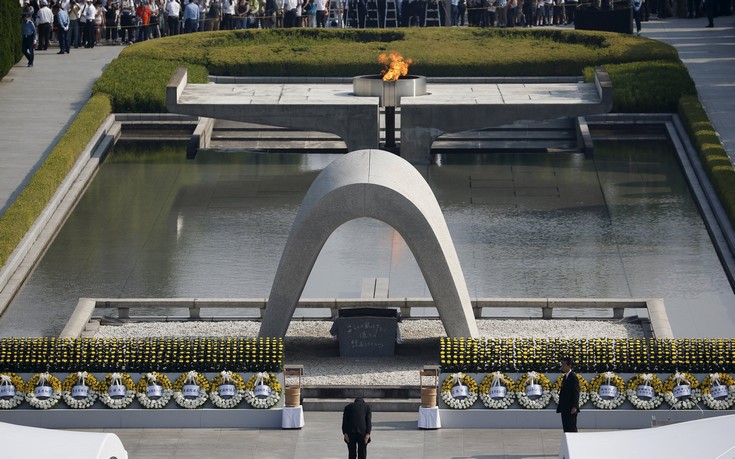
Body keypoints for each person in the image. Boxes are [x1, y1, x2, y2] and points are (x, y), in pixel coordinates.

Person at [557, 358, 580, 433]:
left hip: (570, 408)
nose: (562, 367)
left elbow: (576, 392)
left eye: (563, 365)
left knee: (571, 428)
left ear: (569, 366)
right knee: (566, 428)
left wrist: (574, 406)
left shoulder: (573, 377)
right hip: (565, 408)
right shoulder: (565, 377)